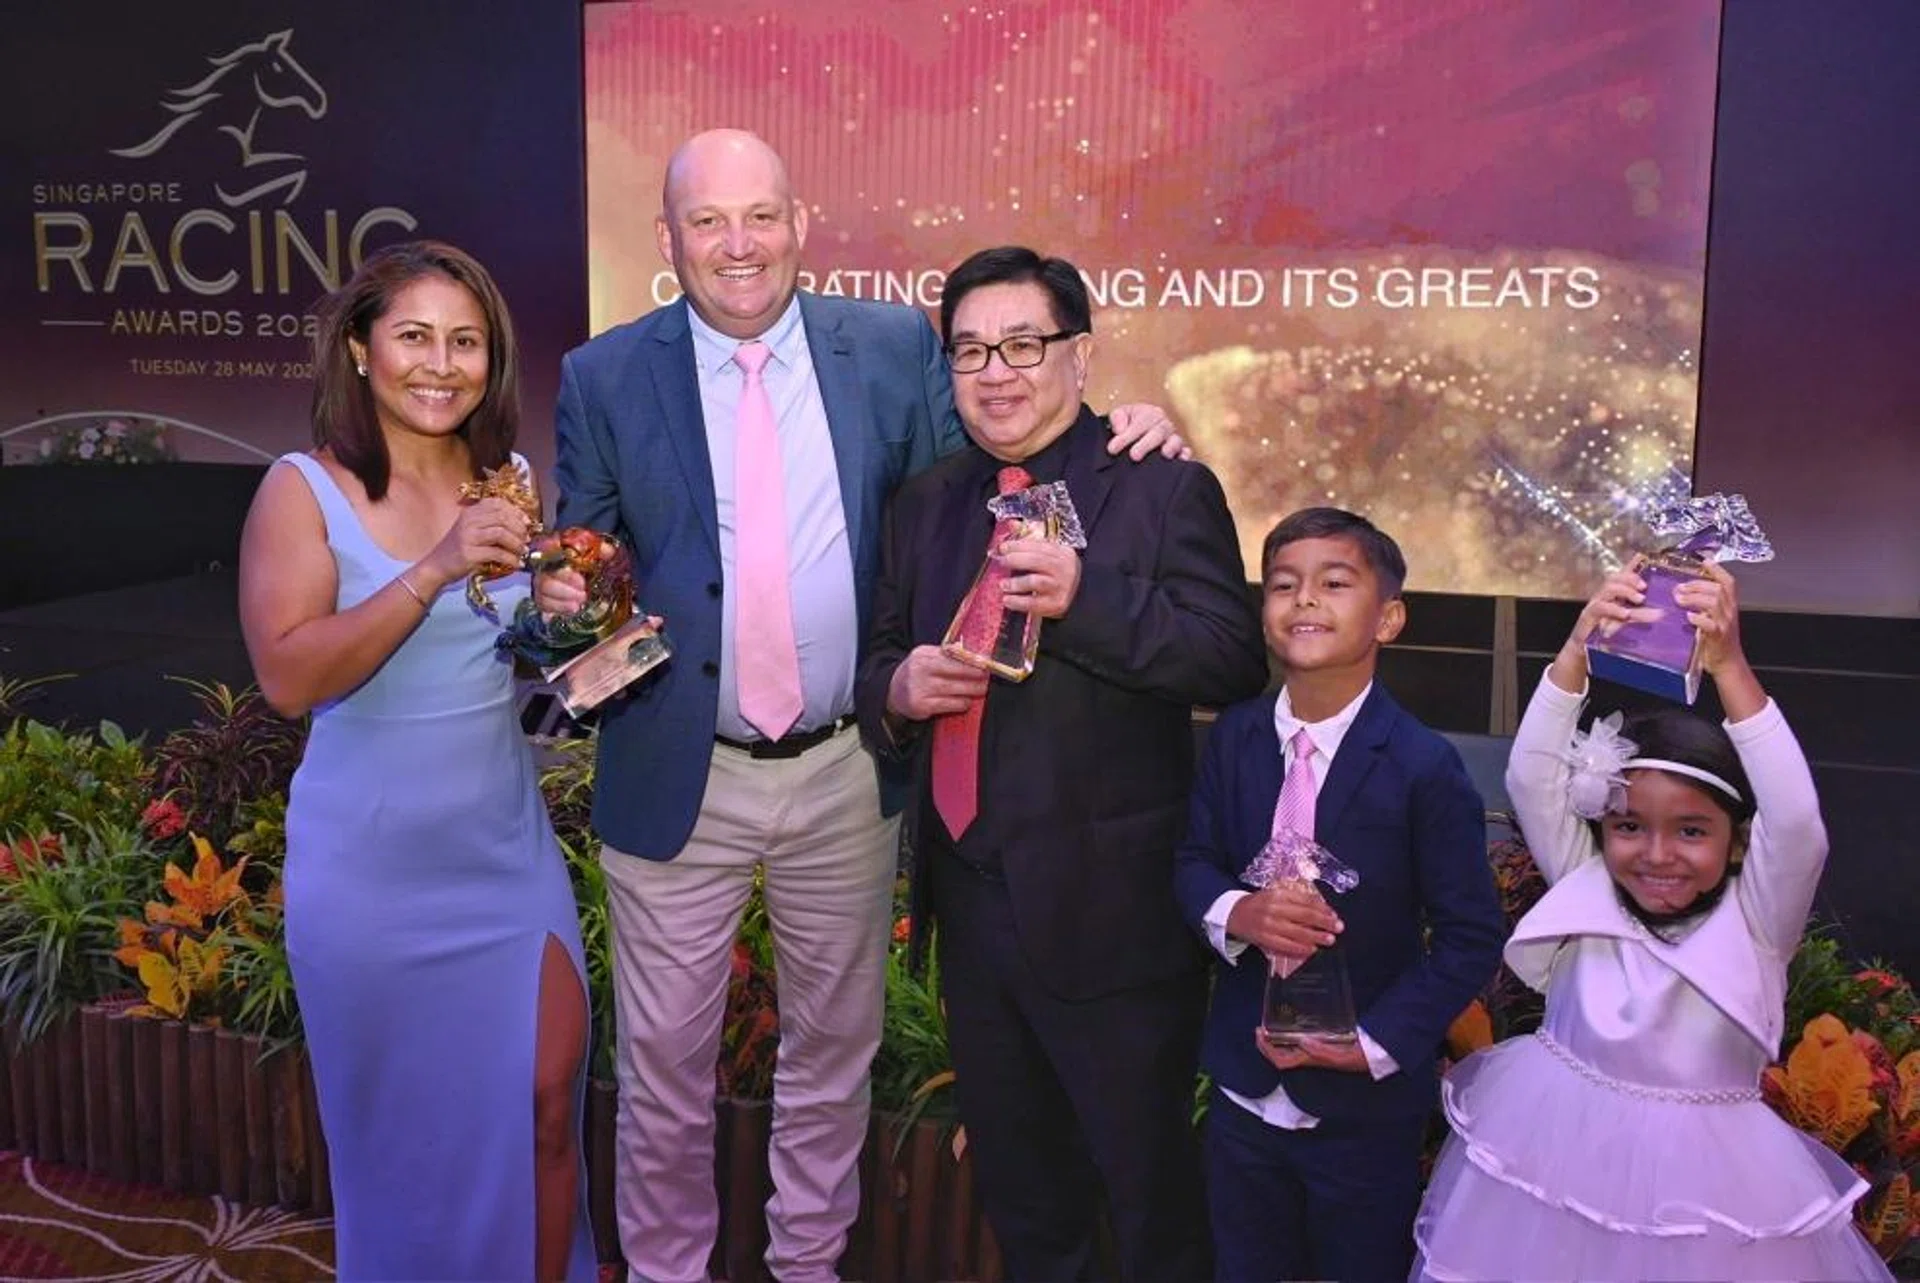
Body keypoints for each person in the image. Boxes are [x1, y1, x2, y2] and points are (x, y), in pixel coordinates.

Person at [536, 130, 1183, 1283]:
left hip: (848, 766)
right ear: (667, 239)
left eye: (760, 217)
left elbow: (1004, 465)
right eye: (708, 222)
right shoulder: (603, 375)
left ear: (801, 223)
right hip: (680, 763)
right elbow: (587, 566)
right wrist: (562, 596)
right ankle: (672, 1271)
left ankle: (805, 1267)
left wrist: (1126, 439)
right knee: (664, 1066)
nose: (738, 246)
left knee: (835, 1054)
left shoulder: (890, 347)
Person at [855, 245, 1268, 1279]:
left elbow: (1230, 658)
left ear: (1079, 354)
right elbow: (879, 653)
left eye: (1024, 344)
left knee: (1145, 1200)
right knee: (1026, 1197)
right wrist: (897, 689)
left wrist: (1088, 599)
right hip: (973, 907)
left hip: (1111, 921)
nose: (997, 372)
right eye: (971, 350)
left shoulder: (1160, 485)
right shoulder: (927, 501)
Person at [238, 240, 596, 1281]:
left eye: (467, 341)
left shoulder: (510, 479)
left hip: (502, 854)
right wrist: (435, 565)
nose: (441, 363)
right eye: (413, 336)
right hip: (370, 871)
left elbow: (508, 647)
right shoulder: (302, 489)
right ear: (359, 349)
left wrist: (564, 613)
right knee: (404, 1140)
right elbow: (292, 677)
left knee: (545, 1099)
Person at [1412, 563, 1891, 1281]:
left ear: (1736, 841)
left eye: (1692, 831)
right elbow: (1530, 774)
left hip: (1710, 1190)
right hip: (1554, 1147)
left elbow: (1795, 821)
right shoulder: (1587, 883)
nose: (1658, 853)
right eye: (1630, 825)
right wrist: (1578, 647)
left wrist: (1729, 665)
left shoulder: (1757, 920)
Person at [1171, 506, 1505, 1282]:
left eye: (1334, 582)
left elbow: (1469, 935)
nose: (1305, 600)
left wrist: (1377, 1043)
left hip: (1364, 1112)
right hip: (1243, 1092)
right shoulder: (1234, 736)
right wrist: (1240, 912)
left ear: (1388, 616)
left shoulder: (1424, 764)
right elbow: (1193, 860)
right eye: (1283, 584)